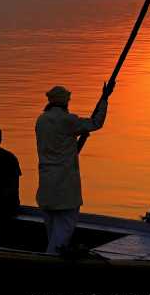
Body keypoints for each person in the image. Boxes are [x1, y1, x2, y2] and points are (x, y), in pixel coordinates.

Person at [35, 82, 112, 254]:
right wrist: (105, 98)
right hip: (65, 189)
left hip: (46, 187)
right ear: (65, 102)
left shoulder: (40, 121)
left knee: (53, 234)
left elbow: (56, 147)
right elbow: (96, 122)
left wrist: (74, 145)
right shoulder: (68, 120)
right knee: (60, 238)